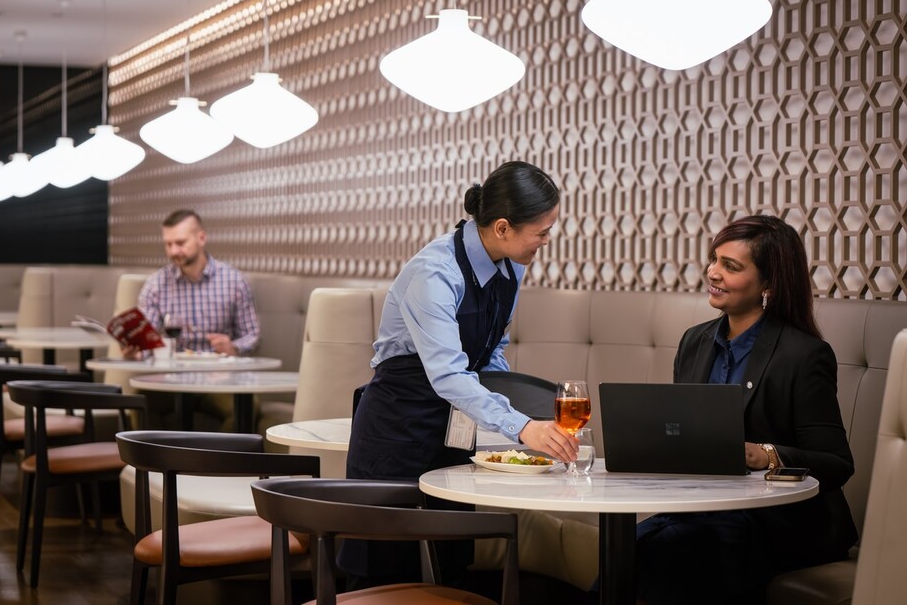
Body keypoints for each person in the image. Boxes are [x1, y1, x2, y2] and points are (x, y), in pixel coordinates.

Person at [342, 161, 579, 588]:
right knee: (383, 567)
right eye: (542, 231)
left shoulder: (511, 266)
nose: (548, 240)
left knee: (449, 564)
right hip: (398, 427)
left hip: (453, 427)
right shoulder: (434, 273)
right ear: (503, 227)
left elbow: (490, 353)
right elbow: (450, 375)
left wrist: (514, 419)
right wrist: (522, 427)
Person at [629, 215, 858, 604]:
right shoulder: (695, 341)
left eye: (730, 266)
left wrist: (762, 454)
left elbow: (836, 463)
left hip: (780, 522)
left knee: (671, 549)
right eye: (714, 260)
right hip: (703, 510)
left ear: (769, 283)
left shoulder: (804, 355)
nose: (713, 273)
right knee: (630, 546)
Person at [132, 209, 260, 429]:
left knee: (246, 408)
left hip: (219, 378)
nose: (173, 251)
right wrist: (136, 349)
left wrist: (233, 348)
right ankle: (155, 465)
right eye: (168, 244)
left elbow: (252, 334)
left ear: (201, 238)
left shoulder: (234, 281)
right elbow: (146, 338)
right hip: (171, 378)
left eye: (180, 243)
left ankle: (219, 464)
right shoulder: (156, 285)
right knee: (139, 402)